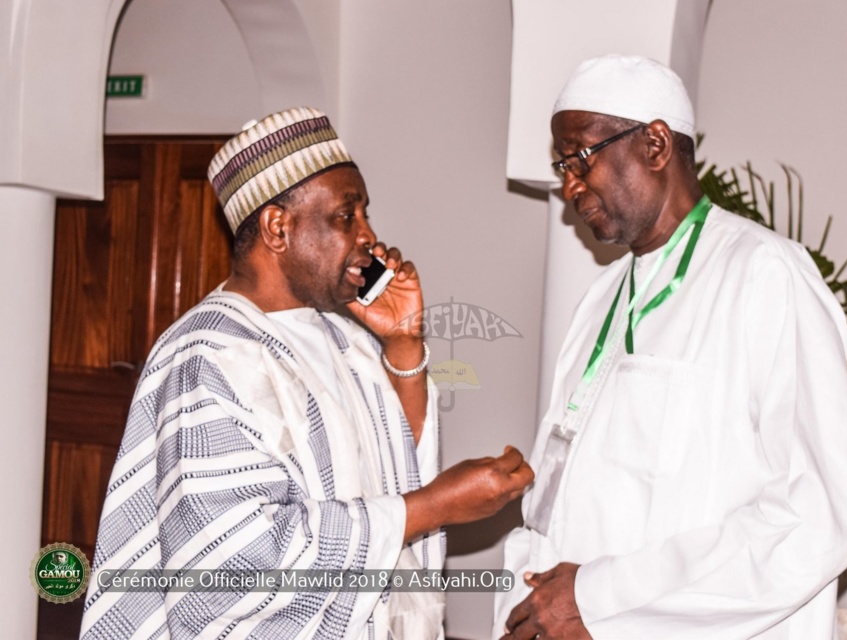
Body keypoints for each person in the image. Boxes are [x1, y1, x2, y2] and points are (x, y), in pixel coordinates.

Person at [80, 106, 533, 640]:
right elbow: (236, 564)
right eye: (346, 216)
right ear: (278, 226)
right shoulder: (209, 356)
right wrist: (433, 508)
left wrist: (404, 345)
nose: (369, 235)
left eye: (364, 213)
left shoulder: (342, 335)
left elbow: (389, 463)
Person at [493, 55, 847, 639]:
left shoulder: (764, 273)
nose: (569, 184)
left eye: (580, 157)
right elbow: (552, 494)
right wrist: (526, 609)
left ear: (654, 144)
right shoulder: (599, 301)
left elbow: (821, 513)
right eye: (560, 164)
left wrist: (599, 600)